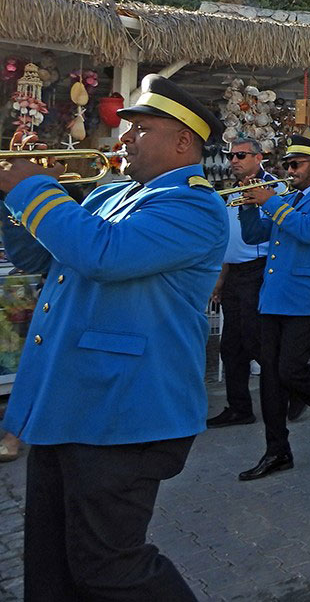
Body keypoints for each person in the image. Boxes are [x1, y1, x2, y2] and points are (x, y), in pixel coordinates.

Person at [0, 74, 228, 600]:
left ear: (182, 142)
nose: (123, 139)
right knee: (52, 565)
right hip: (70, 404)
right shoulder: (115, 195)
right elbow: (41, 258)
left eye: (140, 129)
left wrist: (33, 188)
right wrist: (23, 200)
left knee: (109, 566)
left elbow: (105, 256)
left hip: (125, 410)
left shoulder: (194, 206)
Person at [237, 136, 310, 481]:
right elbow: (254, 235)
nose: (289, 171)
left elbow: (309, 231)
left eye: (295, 165)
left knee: (290, 369)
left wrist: (271, 202)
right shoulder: (287, 198)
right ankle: (277, 450)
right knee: (271, 378)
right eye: (287, 165)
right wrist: (248, 205)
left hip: (305, 297)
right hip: (274, 296)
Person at [207, 138, 282, 428]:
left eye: (240, 155)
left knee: (255, 341)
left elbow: (274, 230)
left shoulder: (273, 187)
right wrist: (221, 278)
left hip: (259, 270)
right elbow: (232, 240)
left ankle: (293, 386)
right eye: (230, 155)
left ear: (258, 157)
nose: (233, 160)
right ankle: (239, 407)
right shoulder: (231, 191)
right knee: (231, 346)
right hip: (235, 273)